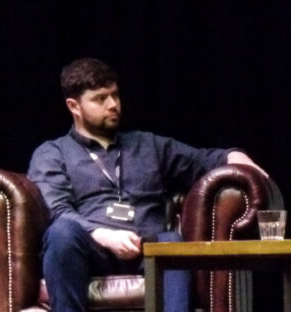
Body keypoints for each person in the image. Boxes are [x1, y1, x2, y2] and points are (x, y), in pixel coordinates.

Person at [28, 58, 267, 312]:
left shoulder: (147, 145)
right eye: (100, 99)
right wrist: (104, 236)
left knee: (171, 243)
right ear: (74, 106)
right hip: (90, 250)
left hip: (147, 247)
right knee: (61, 233)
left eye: (115, 95)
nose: (113, 105)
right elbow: (57, 210)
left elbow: (205, 159)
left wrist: (237, 158)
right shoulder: (53, 153)